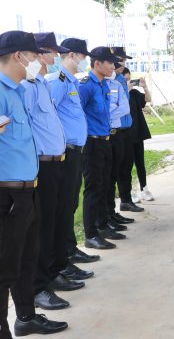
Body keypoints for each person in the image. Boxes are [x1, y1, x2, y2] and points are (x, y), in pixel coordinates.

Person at [0, 30, 68, 338]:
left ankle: (26, 317)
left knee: (26, 259)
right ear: (18, 56)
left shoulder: (15, 91)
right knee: (4, 268)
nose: (38, 61)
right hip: (7, 194)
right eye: (33, 55)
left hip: (27, 190)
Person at [25, 33, 87, 311]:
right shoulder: (29, 86)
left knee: (56, 218)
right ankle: (40, 286)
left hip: (56, 160)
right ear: (37, 54)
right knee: (42, 227)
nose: (53, 59)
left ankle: (55, 270)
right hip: (40, 166)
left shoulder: (40, 83)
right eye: (50, 53)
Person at [46, 38, 101, 263]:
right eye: (84, 57)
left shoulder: (71, 81)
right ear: (72, 56)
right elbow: (50, 116)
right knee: (64, 205)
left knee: (70, 203)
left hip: (75, 149)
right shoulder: (58, 81)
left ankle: (69, 249)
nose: (85, 61)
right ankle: (63, 255)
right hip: (65, 151)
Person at [79, 47, 123, 250]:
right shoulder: (86, 86)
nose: (113, 66)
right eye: (109, 63)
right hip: (92, 143)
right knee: (93, 188)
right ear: (97, 63)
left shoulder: (103, 85)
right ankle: (91, 233)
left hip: (105, 140)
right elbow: (77, 115)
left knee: (105, 185)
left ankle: (103, 225)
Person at [111, 47, 145, 213]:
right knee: (114, 171)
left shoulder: (121, 79)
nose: (122, 63)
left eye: (124, 60)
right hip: (114, 131)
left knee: (126, 167)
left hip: (127, 130)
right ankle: (110, 212)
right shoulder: (110, 80)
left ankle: (126, 200)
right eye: (119, 59)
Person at [121, 69, 154, 205]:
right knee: (126, 165)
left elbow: (148, 100)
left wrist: (145, 87)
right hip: (124, 135)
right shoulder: (119, 94)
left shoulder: (134, 93)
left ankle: (144, 188)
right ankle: (129, 191)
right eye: (125, 80)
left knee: (140, 162)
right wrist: (125, 91)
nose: (129, 82)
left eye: (130, 79)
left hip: (137, 132)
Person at [106, 69, 132, 234]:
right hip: (102, 136)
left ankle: (111, 214)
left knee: (113, 175)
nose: (113, 67)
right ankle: (102, 221)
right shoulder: (89, 85)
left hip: (117, 133)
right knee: (103, 181)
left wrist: (109, 114)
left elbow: (125, 107)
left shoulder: (116, 83)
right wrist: (110, 114)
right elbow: (96, 111)